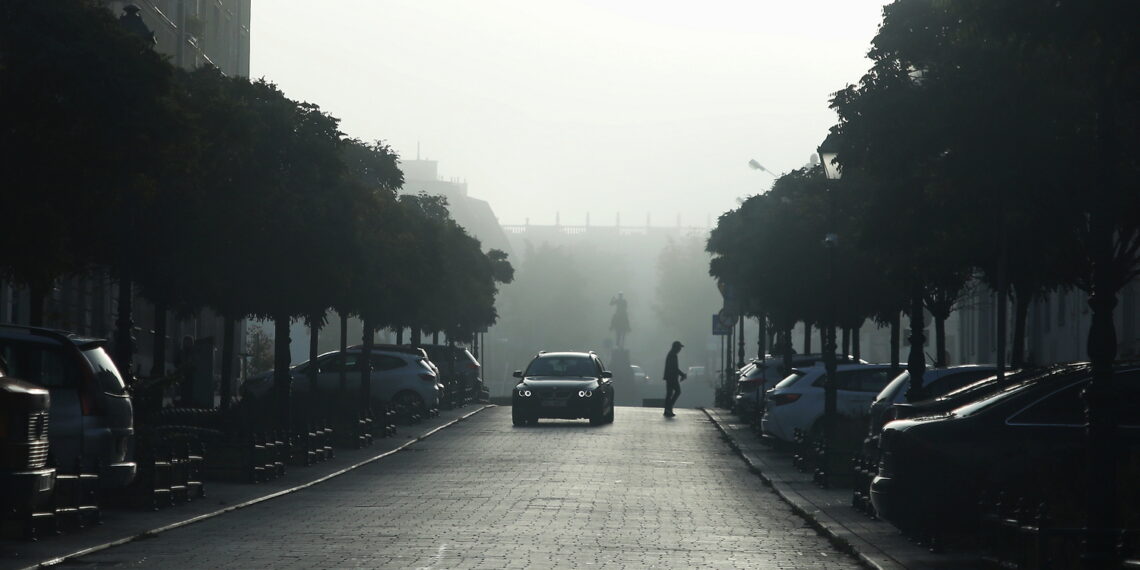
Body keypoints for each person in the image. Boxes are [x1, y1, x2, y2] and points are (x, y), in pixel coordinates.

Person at [662, 340, 686, 417]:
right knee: (677, 392)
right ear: (676, 348)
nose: (680, 350)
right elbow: (674, 368)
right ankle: (669, 408)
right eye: (679, 348)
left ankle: (667, 409)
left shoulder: (671, 354)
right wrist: (682, 374)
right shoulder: (673, 355)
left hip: (670, 377)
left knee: (669, 393)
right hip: (672, 377)